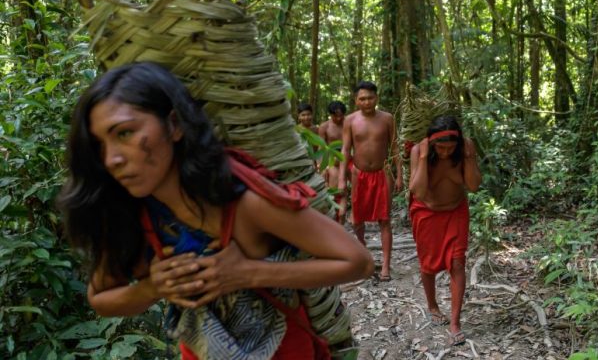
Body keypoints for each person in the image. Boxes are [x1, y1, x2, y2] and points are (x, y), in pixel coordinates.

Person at [58, 63, 373, 359]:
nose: (112, 158)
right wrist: (152, 288)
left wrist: (248, 273)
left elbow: (357, 262)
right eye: (99, 145)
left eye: (124, 133)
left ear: (174, 124)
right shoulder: (132, 216)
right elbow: (100, 298)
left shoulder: (243, 201)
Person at [408, 115, 481, 346]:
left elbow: (473, 185)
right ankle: (432, 305)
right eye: (440, 147)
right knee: (427, 265)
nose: (446, 152)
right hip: (426, 212)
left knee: (458, 263)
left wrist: (468, 156)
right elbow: (418, 192)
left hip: (456, 211)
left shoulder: (464, 150)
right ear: (431, 143)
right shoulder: (420, 152)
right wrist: (421, 156)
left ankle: (455, 323)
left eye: (451, 147)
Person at [338, 81, 402, 281]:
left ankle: (385, 266)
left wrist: (399, 174)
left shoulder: (387, 118)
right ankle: (364, 255)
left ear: (377, 98)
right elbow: (345, 150)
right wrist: (341, 178)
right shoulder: (350, 120)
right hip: (359, 174)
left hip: (383, 173)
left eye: (370, 98)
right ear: (356, 100)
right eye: (362, 98)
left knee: (384, 219)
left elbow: (395, 148)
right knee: (358, 218)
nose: (366, 102)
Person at [319, 101, 347, 223]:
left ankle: (342, 221)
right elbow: (321, 147)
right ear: (330, 114)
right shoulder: (324, 126)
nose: (339, 118)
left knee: (345, 192)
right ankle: (334, 222)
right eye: (335, 115)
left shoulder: (348, 123)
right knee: (334, 192)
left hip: (347, 160)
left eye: (341, 115)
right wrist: (322, 166)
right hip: (331, 161)